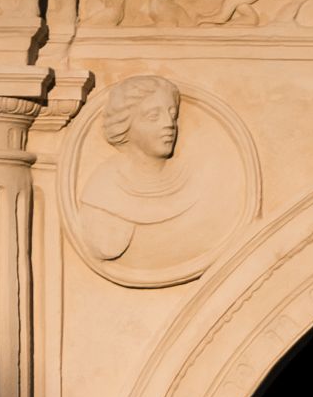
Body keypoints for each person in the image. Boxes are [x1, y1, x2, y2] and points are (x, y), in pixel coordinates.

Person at [75, 74, 244, 281]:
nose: (169, 124)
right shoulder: (103, 190)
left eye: (172, 114)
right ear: (124, 125)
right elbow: (104, 245)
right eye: (153, 116)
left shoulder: (201, 177)